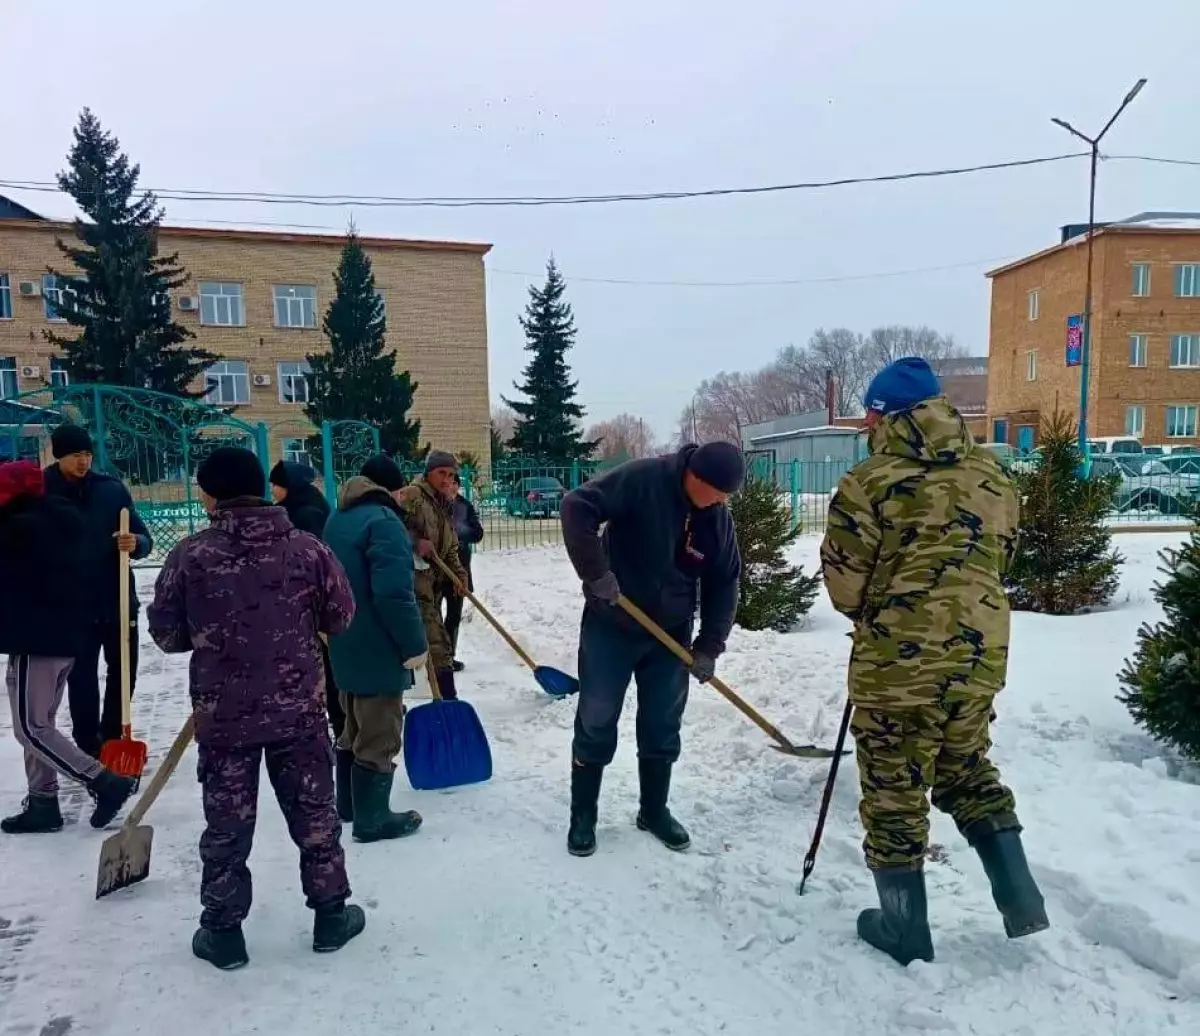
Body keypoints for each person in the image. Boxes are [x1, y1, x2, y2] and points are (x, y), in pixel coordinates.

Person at [819, 356, 1047, 967]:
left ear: (882, 415)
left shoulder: (868, 482)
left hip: (898, 669)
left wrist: (885, 613)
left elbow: (844, 586)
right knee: (966, 769)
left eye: (869, 416)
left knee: (894, 792)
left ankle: (904, 929)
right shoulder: (993, 475)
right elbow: (1002, 559)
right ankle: (1021, 899)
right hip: (979, 657)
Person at [147, 446, 364, 971]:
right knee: (315, 815)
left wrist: (215, 635)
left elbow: (167, 634)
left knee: (227, 826)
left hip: (225, 716)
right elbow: (341, 616)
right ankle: (331, 916)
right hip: (298, 711)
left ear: (210, 495)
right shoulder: (307, 548)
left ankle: (223, 933)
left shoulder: (190, 556)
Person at [559, 443, 744, 857]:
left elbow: (725, 579)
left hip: (671, 633)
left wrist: (709, 645)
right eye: (718, 493)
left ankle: (654, 810)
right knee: (597, 716)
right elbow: (577, 506)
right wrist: (596, 573)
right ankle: (583, 815)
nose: (722, 502)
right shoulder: (644, 479)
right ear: (696, 477)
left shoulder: (716, 517)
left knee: (663, 721)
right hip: (612, 623)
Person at [0, 461, 137, 834]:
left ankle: (104, 781)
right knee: (39, 723)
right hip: (66, 636)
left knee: (31, 728)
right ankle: (42, 802)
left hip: (36, 638)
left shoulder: (17, 529)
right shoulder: (61, 520)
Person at [324, 455, 428, 843]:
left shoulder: (338, 518)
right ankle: (373, 819)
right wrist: (414, 644)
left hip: (344, 638)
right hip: (378, 643)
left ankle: (349, 805)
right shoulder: (384, 523)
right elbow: (393, 594)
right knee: (380, 729)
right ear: (392, 490)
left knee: (352, 722)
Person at [43, 425, 153, 758]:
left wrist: (135, 543)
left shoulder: (111, 490)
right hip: (73, 606)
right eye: (75, 455)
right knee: (82, 678)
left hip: (117, 599)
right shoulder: (42, 492)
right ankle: (88, 743)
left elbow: (144, 540)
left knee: (123, 672)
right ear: (59, 456)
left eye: (87, 454)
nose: (83, 461)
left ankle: (113, 736)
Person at [269, 460, 343, 739]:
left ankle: (340, 729)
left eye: (276, 485)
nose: (273, 490)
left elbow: (312, 563)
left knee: (326, 671)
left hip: (313, 606)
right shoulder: (303, 506)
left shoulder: (305, 514)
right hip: (312, 605)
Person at [395, 451, 467, 701]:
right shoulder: (412, 495)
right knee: (435, 639)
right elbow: (391, 526)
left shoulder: (444, 502)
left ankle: (445, 698)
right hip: (412, 582)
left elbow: (451, 545)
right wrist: (414, 541)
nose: (447, 479)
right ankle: (448, 698)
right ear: (428, 473)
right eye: (441, 473)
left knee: (437, 639)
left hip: (433, 582)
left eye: (451, 475)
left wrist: (459, 573)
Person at [443, 472, 484, 672]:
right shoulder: (433, 505)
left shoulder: (464, 506)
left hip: (459, 570)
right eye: (447, 483)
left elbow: (477, 533)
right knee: (432, 615)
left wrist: (458, 531)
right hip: (436, 570)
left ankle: (449, 656)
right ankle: (436, 657)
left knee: (453, 615)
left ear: (457, 486)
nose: (450, 487)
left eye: (453, 483)